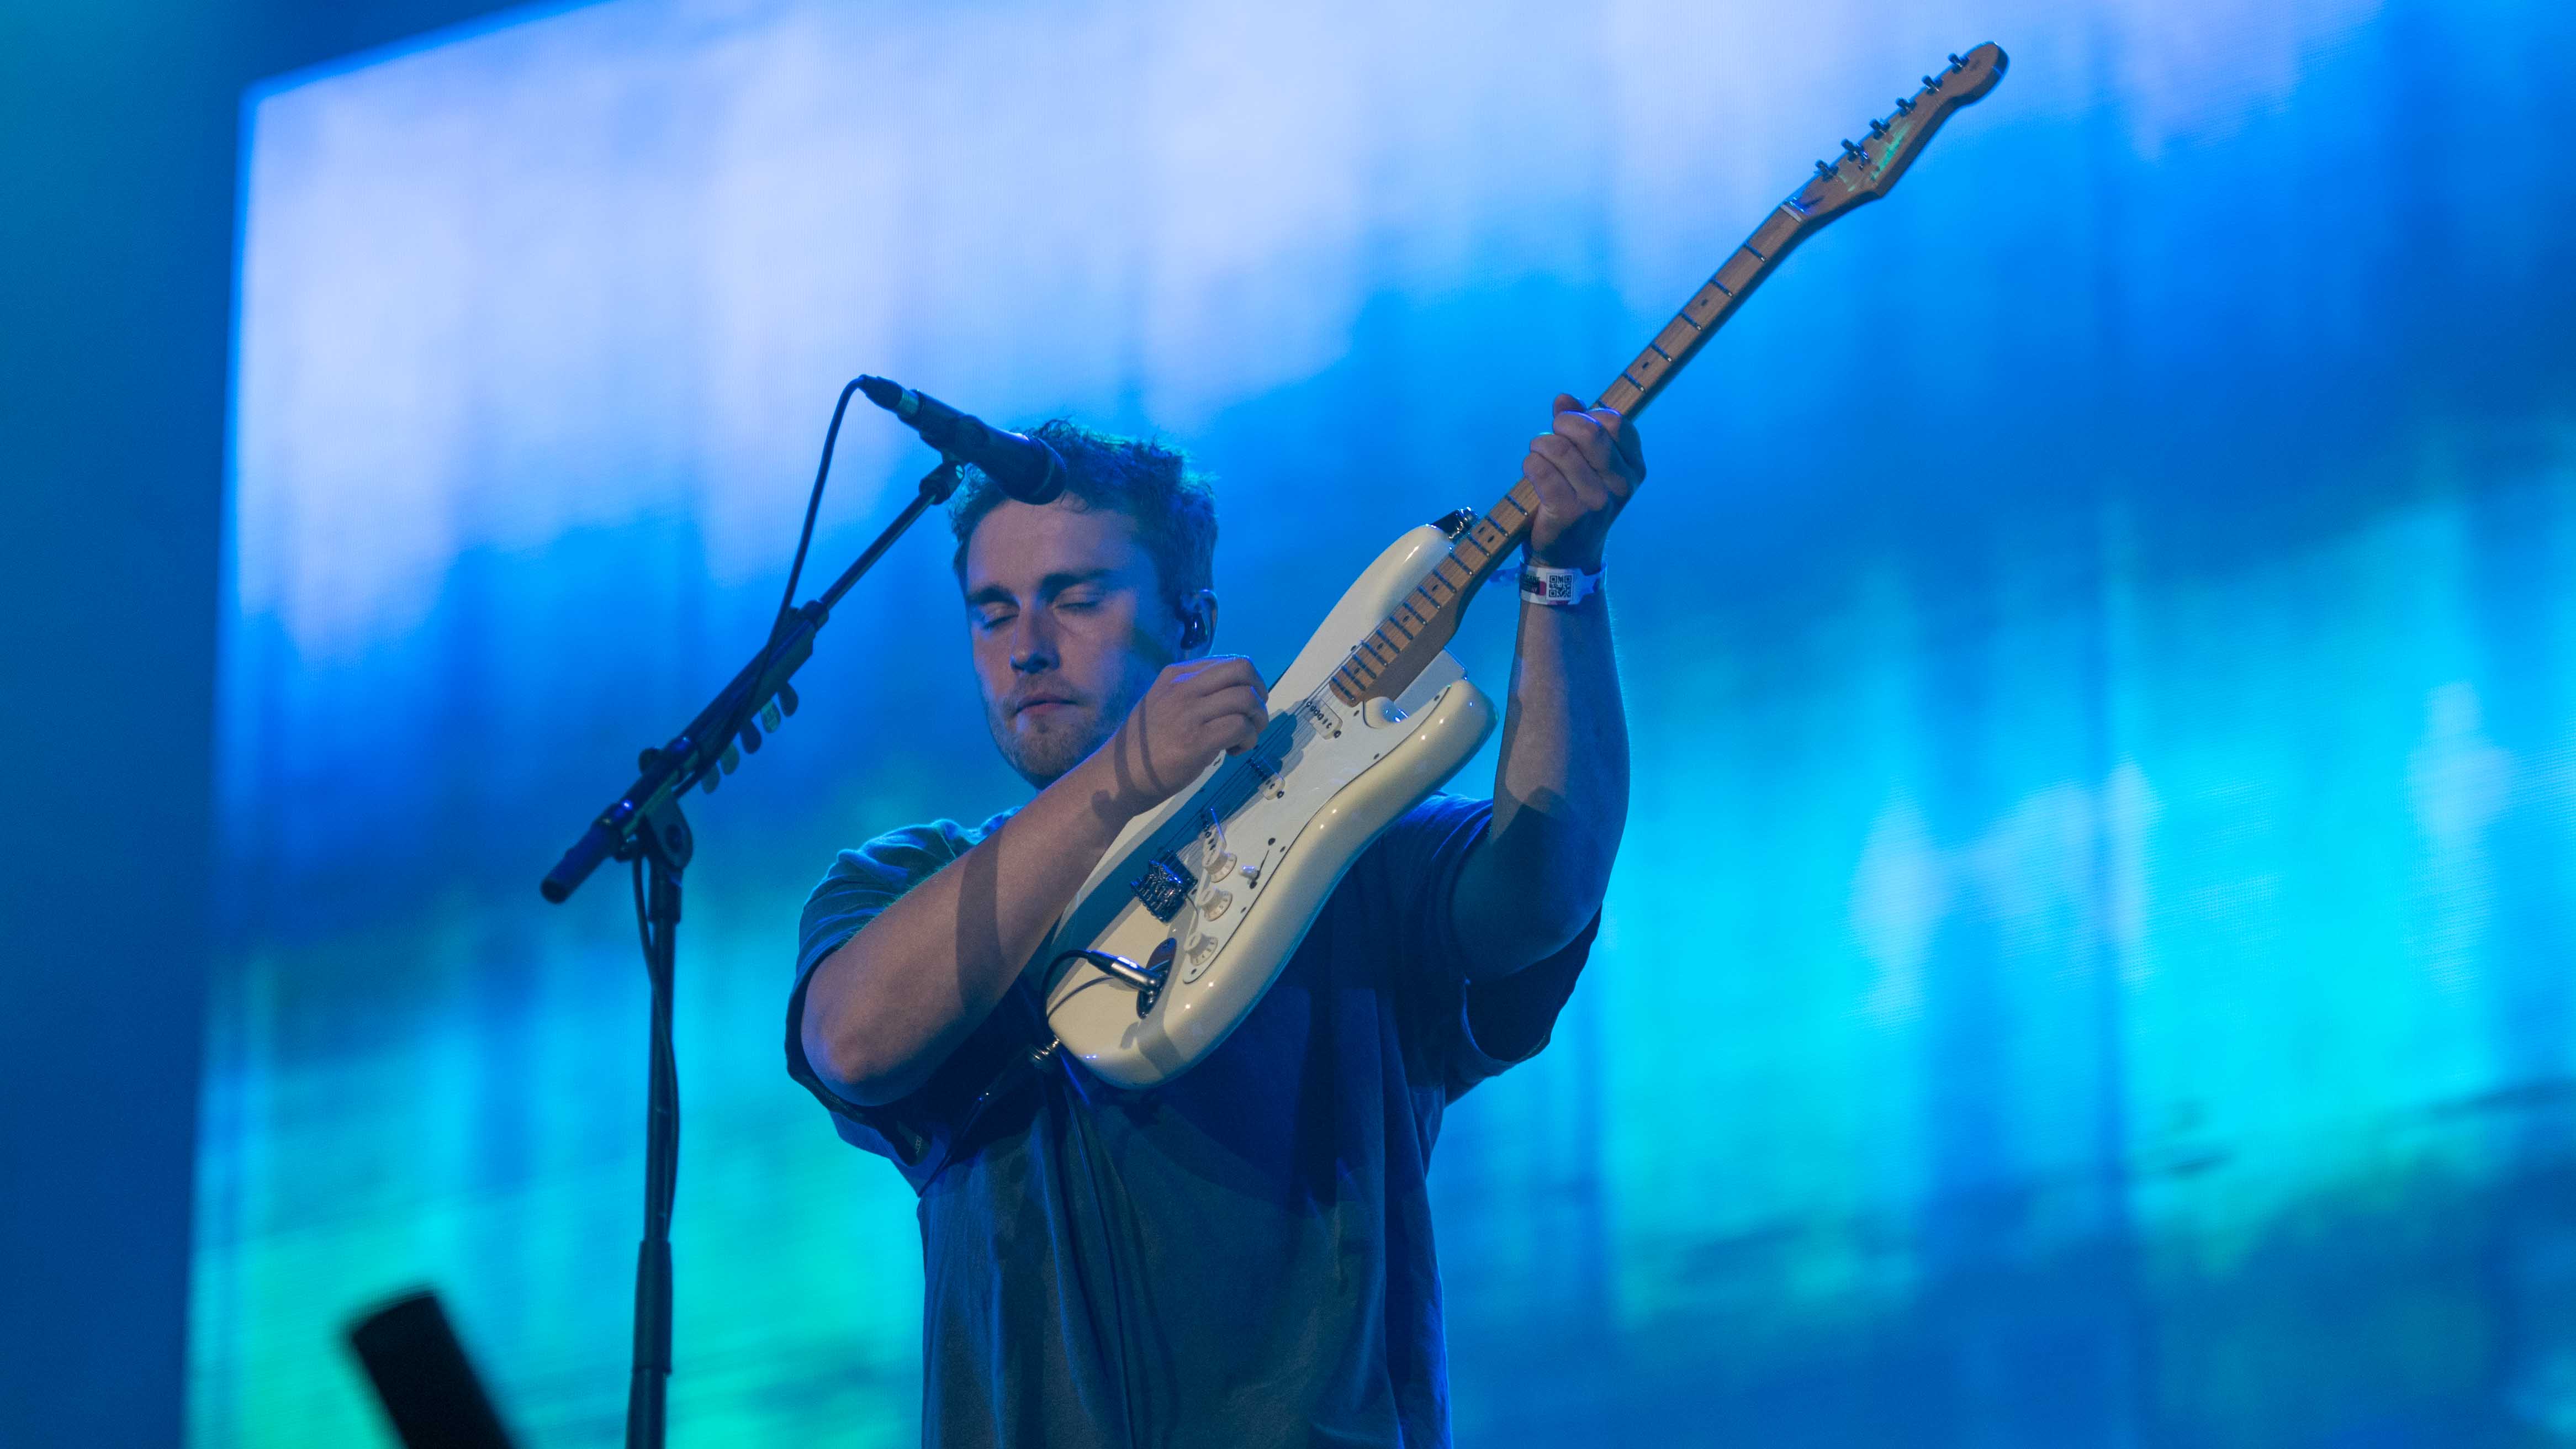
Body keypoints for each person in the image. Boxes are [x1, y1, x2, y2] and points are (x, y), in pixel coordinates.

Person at [786, 394, 1644, 1448]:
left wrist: (1564, 584)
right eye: (993, 610)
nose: (1028, 648)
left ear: (1191, 625)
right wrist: (1120, 776)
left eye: (1075, 597)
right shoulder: (914, 880)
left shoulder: (1347, 839)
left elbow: (1545, 892)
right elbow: (854, 1040)